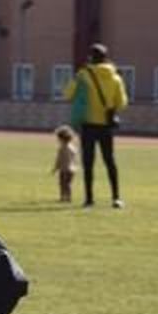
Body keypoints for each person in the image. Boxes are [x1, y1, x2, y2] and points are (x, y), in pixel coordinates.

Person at [61, 44, 127, 208]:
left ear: (91, 57)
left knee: (88, 163)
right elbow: (122, 103)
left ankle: (89, 199)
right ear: (106, 58)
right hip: (106, 124)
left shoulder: (84, 74)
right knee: (110, 161)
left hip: (89, 124)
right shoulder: (115, 77)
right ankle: (116, 197)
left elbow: (67, 94)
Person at [51, 125, 78, 204]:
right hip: (72, 169)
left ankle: (63, 197)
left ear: (61, 138)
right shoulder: (72, 147)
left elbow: (59, 159)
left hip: (64, 169)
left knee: (63, 183)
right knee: (68, 183)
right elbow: (74, 158)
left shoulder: (62, 148)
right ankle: (68, 197)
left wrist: (55, 168)